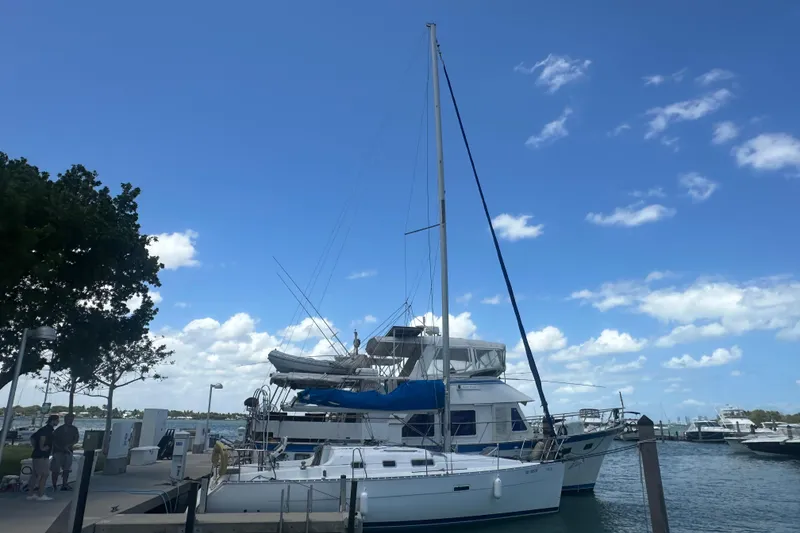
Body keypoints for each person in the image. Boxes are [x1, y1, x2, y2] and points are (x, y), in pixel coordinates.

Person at [29, 415, 59, 501]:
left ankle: (31, 494)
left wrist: (36, 447)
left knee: (35, 474)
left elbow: (32, 438)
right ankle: (41, 494)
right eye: (57, 421)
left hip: (37, 454)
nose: (58, 422)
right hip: (42, 455)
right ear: (52, 421)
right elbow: (42, 437)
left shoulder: (44, 429)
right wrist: (41, 447)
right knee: (44, 474)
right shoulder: (48, 430)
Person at [51, 413, 80, 491]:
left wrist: (69, 445)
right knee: (56, 469)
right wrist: (60, 447)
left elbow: (76, 439)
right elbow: (53, 440)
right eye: (68, 419)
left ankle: (64, 484)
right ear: (65, 419)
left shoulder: (74, 429)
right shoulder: (59, 429)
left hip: (68, 451)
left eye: (71, 419)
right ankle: (54, 486)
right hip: (58, 451)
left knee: (66, 469)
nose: (69, 421)